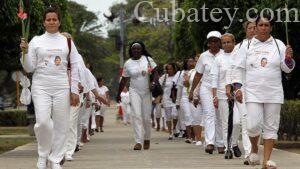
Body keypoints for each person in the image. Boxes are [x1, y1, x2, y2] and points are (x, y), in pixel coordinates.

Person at [19, 5, 82, 169]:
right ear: (44, 22)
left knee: (62, 124)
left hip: (61, 85)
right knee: (43, 122)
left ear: (59, 22)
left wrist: (74, 90)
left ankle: (55, 159)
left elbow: (75, 66)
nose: (52, 22)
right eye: (49, 19)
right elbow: (29, 68)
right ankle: (43, 155)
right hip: (41, 86)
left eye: (55, 19)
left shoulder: (67, 41)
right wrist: (24, 53)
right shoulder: (36, 41)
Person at [232, 15, 295, 169]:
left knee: (271, 127)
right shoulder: (246, 46)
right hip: (253, 92)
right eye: (261, 25)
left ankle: (266, 161)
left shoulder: (278, 44)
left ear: (271, 28)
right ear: (256, 26)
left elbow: (287, 68)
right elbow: (238, 69)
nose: (263, 28)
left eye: (267, 25)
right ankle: (254, 149)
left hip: (273, 92)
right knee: (252, 125)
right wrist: (238, 88)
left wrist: (288, 58)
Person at [117, 41, 158, 150]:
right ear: (131, 50)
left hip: (146, 91)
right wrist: (119, 93)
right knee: (136, 115)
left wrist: (153, 83)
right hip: (134, 91)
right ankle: (138, 141)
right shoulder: (128, 63)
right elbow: (124, 79)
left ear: (142, 49)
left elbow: (155, 72)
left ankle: (147, 138)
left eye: (138, 48)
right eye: (134, 49)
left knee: (146, 117)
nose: (136, 50)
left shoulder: (148, 60)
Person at [189, 31, 224, 154]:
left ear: (220, 42)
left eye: (215, 41)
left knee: (220, 115)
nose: (213, 43)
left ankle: (221, 143)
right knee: (209, 114)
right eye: (211, 41)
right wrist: (192, 91)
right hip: (207, 88)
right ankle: (210, 142)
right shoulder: (204, 56)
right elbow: (198, 75)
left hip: (221, 89)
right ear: (208, 43)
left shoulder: (225, 54)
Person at [176, 58, 203, 145]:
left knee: (200, 117)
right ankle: (190, 136)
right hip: (186, 97)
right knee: (189, 116)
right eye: (189, 61)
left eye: (193, 61)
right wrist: (177, 101)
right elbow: (180, 87)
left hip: (201, 96)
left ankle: (197, 137)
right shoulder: (185, 73)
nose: (191, 63)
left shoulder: (203, 70)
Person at [159, 63, 179, 140]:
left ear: (174, 69)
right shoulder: (164, 77)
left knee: (175, 114)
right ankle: (170, 133)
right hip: (166, 98)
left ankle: (174, 128)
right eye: (168, 69)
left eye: (171, 69)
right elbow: (159, 86)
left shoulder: (177, 76)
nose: (169, 70)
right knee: (168, 116)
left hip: (175, 99)